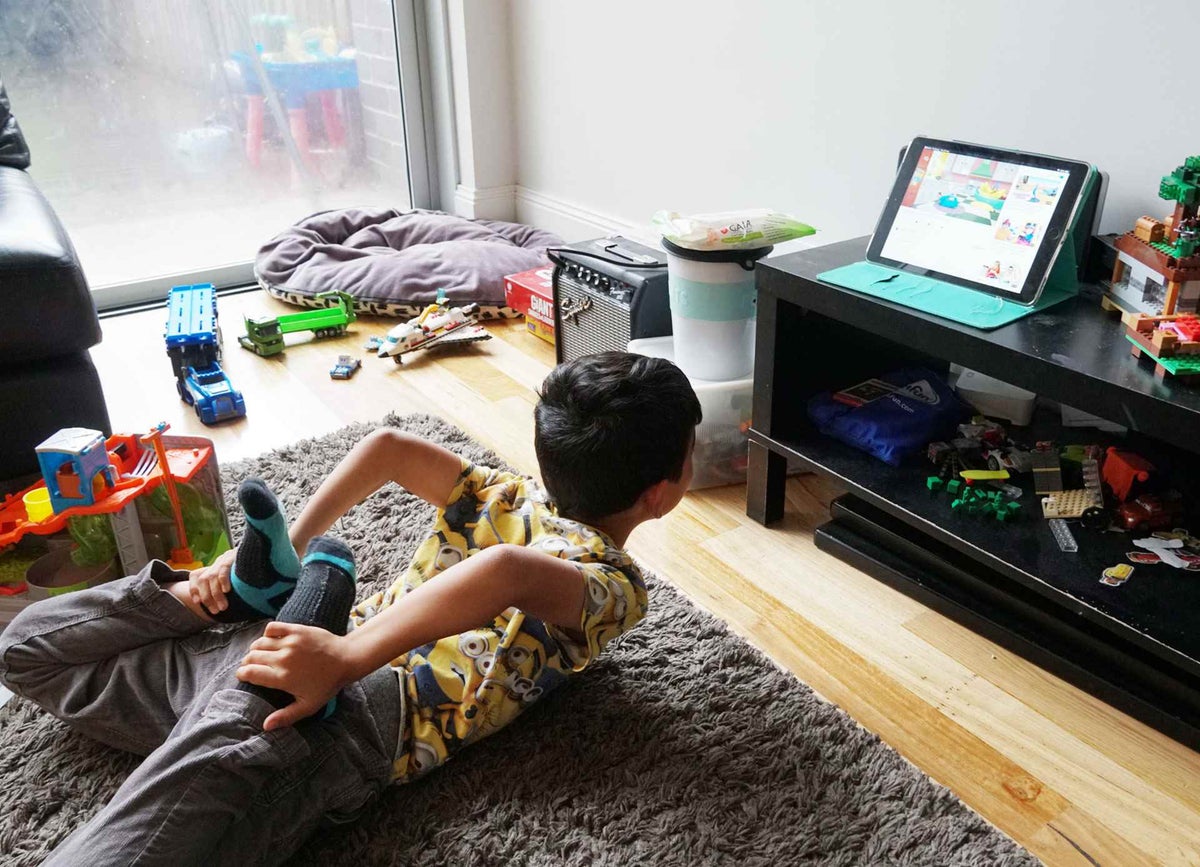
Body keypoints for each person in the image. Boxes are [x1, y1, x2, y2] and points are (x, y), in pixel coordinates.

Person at [0, 351, 701, 866]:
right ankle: (261, 598)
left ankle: (231, 603)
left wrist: (300, 546)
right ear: (664, 490)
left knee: (24, 648)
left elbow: (388, 449)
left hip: (285, 662)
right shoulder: (613, 583)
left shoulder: (508, 494)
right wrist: (342, 658)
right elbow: (508, 570)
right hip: (349, 714)